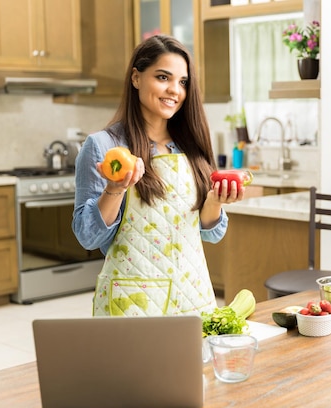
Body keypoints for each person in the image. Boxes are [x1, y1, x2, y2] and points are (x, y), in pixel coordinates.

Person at [72, 35, 245, 317]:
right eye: (163, 77)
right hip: (131, 302)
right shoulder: (103, 146)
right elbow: (88, 237)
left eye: (183, 82)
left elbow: (210, 232)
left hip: (193, 294)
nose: (174, 90)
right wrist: (114, 190)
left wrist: (214, 202)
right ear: (136, 78)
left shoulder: (191, 145)